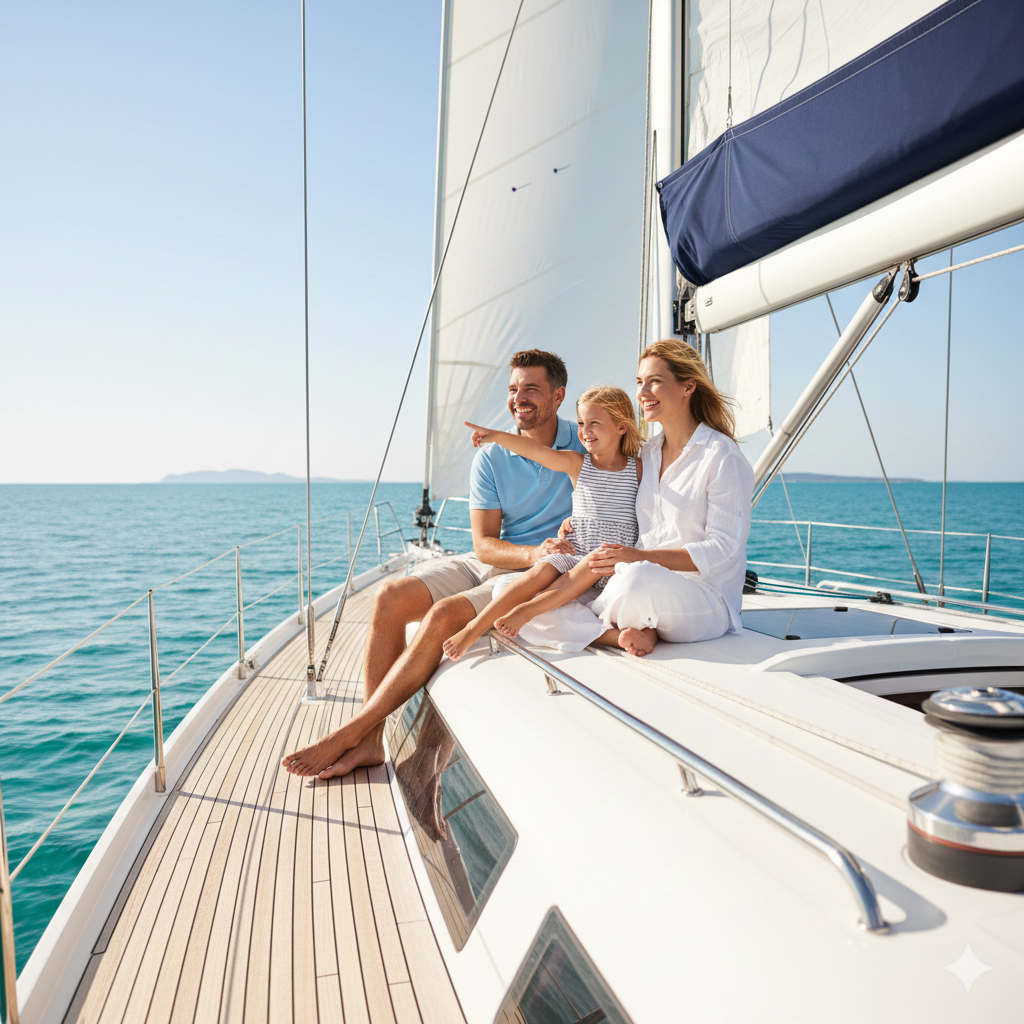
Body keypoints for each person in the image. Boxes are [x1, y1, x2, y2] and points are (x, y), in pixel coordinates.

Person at [281, 349, 585, 778]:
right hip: (503, 557)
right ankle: (369, 742)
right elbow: (484, 546)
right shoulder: (492, 457)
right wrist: (531, 551)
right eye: (514, 389)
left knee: (444, 616)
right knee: (390, 597)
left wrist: (543, 557)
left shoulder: (585, 440)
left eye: (532, 388)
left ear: (559, 396)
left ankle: (353, 730)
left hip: (543, 572)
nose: (520, 398)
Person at [514, 339, 754, 658]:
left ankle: (598, 624)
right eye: (640, 382)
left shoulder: (721, 456)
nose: (642, 393)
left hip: (703, 598)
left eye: (654, 381)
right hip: (630, 578)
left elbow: (723, 549)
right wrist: (580, 520)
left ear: (688, 387)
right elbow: (614, 495)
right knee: (513, 594)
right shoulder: (647, 454)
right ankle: (622, 632)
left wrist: (640, 557)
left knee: (634, 579)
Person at [441, 386, 642, 661]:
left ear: (621, 427)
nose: (585, 431)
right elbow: (535, 451)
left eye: (595, 423)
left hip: (613, 561)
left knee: (586, 567)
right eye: (582, 423)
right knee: (538, 573)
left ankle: (528, 611)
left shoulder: (639, 469)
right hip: (577, 552)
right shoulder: (578, 464)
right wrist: (496, 436)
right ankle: (474, 628)